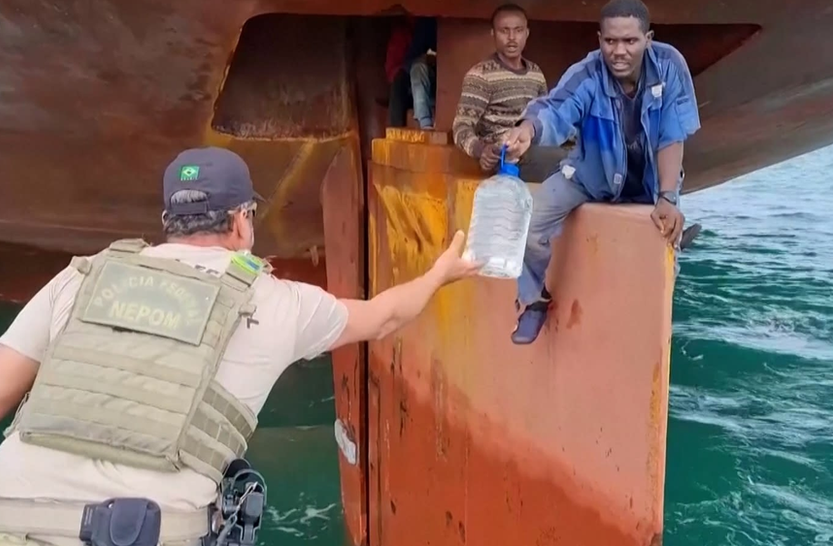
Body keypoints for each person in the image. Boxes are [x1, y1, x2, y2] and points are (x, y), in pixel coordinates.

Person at [0, 146, 480, 546]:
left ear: (170, 220)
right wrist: (439, 275)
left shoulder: (81, 277)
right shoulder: (275, 301)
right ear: (240, 221)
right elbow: (384, 317)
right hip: (147, 533)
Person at [503, 0, 701, 345]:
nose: (619, 51)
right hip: (590, 176)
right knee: (530, 223)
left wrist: (668, 198)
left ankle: (657, 323)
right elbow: (555, 109)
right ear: (599, 40)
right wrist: (528, 129)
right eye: (610, 41)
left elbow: (672, 135)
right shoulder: (587, 73)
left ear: (648, 39)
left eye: (630, 41)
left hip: (653, 181)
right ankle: (533, 300)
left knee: (664, 252)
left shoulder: (670, 66)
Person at [452, 4, 561, 181]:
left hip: (535, 148)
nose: (512, 38)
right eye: (504, 31)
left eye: (518, 30)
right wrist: (481, 150)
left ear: (527, 33)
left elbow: (544, 117)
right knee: (566, 162)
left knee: (580, 155)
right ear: (493, 34)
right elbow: (461, 126)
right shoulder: (481, 75)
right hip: (505, 156)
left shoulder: (536, 74)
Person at [386, 15, 438, 129]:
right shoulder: (419, 28)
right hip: (418, 85)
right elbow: (399, 66)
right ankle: (424, 124)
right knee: (413, 70)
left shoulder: (433, 23)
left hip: (443, 82)